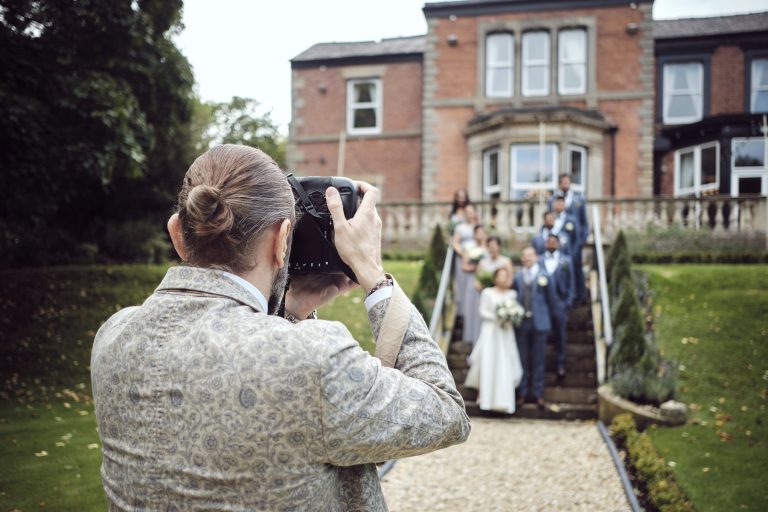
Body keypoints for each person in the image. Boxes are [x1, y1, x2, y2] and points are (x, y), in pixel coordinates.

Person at [90, 144, 470, 511]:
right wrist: (372, 273)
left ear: (178, 235)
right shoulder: (314, 358)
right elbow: (446, 413)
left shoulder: (114, 336)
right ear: (282, 240)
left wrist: (292, 310)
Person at [464, 267, 523, 414]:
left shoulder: (512, 294)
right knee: (488, 362)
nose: (503, 279)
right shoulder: (487, 292)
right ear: (495, 277)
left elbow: (515, 311)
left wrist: (509, 316)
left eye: (505, 276)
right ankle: (484, 397)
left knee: (505, 363)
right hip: (491, 332)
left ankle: (505, 400)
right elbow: (482, 311)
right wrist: (498, 316)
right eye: (500, 276)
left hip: (505, 333)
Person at [513, 246, 556, 409]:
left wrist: (548, 320)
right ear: (522, 259)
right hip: (522, 323)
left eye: (530, 255)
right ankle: (523, 393)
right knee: (522, 359)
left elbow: (552, 300)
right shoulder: (517, 277)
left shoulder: (545, 276)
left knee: (539, 360)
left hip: (540, 322)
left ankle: (538, 394)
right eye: (524, 255)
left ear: (536, 257)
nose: (527, 258)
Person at [549, 174, 589, 303]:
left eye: (567, 181)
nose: (565, 183)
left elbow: (584, 223)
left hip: (574, 244)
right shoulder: (552, 200)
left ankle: (580, 296)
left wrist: (581, 242)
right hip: (557, 245)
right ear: (560, 183)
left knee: (577, 270)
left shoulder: (579, 200)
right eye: (563, 182)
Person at [542, 234, 574, 379]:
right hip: (543, 305)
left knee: (561, 336)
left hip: (560, 304)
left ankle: (560, 365)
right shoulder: (540, 261)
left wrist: (567, 303)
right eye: (549, 242)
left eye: (554, 242)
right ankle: (542, 366)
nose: (552, 244)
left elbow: (571, 283)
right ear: (545, 244)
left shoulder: (566, 261)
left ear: (559, 244)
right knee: (543, 336)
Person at [460, 224, 488, 344]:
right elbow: (464, 267)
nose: (480, 235)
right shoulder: (469, 249)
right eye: (478, 233)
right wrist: (475, 267)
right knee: (473, 309)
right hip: (473, 282)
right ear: (474, 234)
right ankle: (473, 338)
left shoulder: (489, 248)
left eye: (482, 232)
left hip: (486, 282)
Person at [451, 204, 479, 313]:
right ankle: (462, 310)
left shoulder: (477, 226)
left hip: (476, 257)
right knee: (462, 283)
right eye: (467, 213)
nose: (469, 215)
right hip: (463, 258)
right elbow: (455, 243)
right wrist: (463, 254)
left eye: (471, 212)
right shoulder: (460, 227)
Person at [551, 195, 580, 259]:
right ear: (553, 205)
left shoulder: (572, 220)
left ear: (565, 206)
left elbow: (576, 239)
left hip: (567, 254)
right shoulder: (550, 218)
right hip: (552, 254)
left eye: (561, 204)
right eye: (557, 203)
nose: (559, 206)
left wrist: (572, 254)